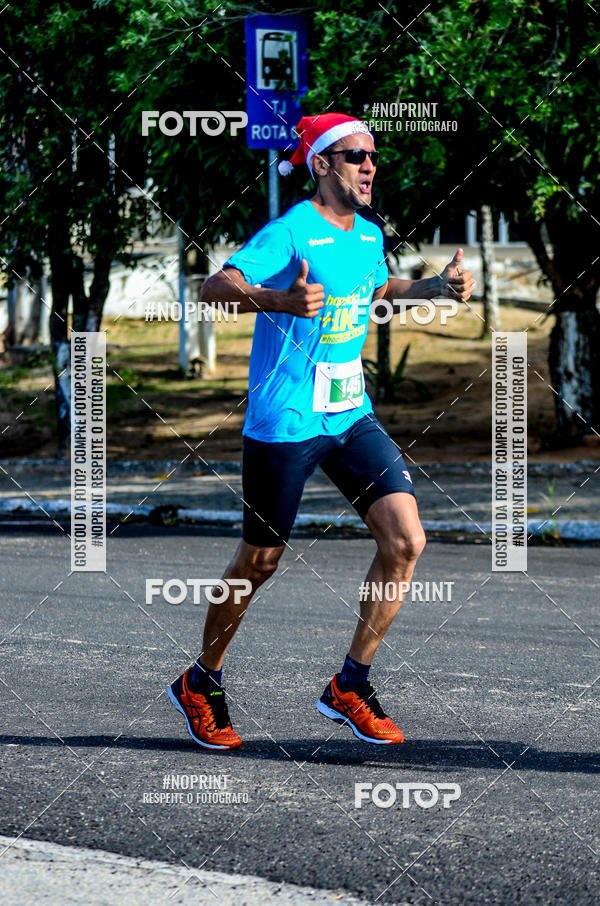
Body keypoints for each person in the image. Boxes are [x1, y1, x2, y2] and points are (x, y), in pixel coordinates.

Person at [168, 113, 474, 749]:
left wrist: (434, 287)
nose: (370, 166)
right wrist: (279, 300)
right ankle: (201, 681)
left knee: (406, 540)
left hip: (350, 413)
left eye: (373, 156)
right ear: (323, 164)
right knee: (259, 561)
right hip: (285, 420)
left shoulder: (368, 234)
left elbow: (377, 288)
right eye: (357, 155)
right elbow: (215, 287)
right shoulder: (289, 231)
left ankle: (350, 685)